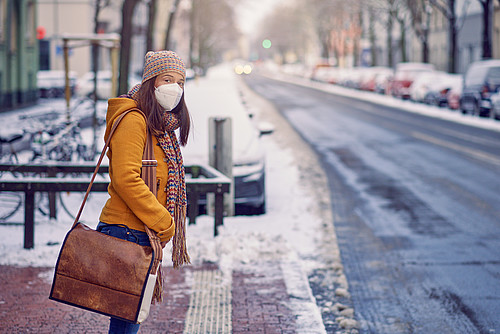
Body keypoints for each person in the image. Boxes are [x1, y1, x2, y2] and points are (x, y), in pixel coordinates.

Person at [97, 50, 191, 334]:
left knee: (128, 322)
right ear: (151, 82)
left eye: (180, 82)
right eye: (167, 79)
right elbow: (126, 178)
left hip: (141, 234)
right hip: (127, 233)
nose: (174, 88)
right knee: (126, 324)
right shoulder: (134, 119)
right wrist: (164, 222)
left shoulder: (160, 127)